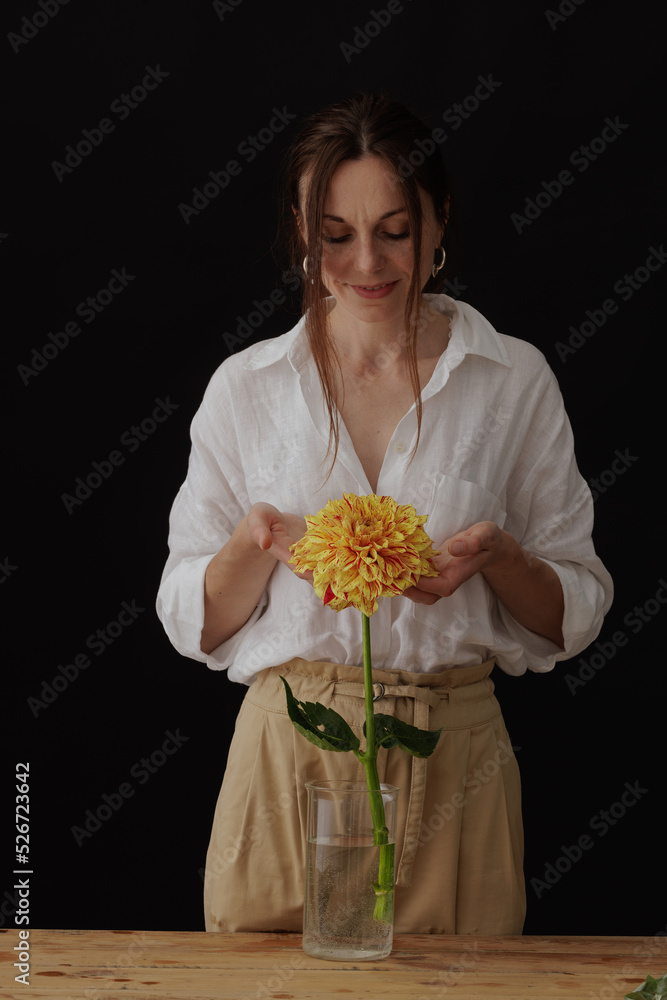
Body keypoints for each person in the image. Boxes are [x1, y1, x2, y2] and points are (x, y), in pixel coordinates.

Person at [156, 93, 613, 936]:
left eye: (395, 230)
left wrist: (499, 556)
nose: (365, 260)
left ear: (439, 227)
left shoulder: (513, 381)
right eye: (333, 235)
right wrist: (255, 545)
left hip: (458, 761)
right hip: (287, 761)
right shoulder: (245, 389)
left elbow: (572, 614)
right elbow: (195, 621)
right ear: (301, 234)